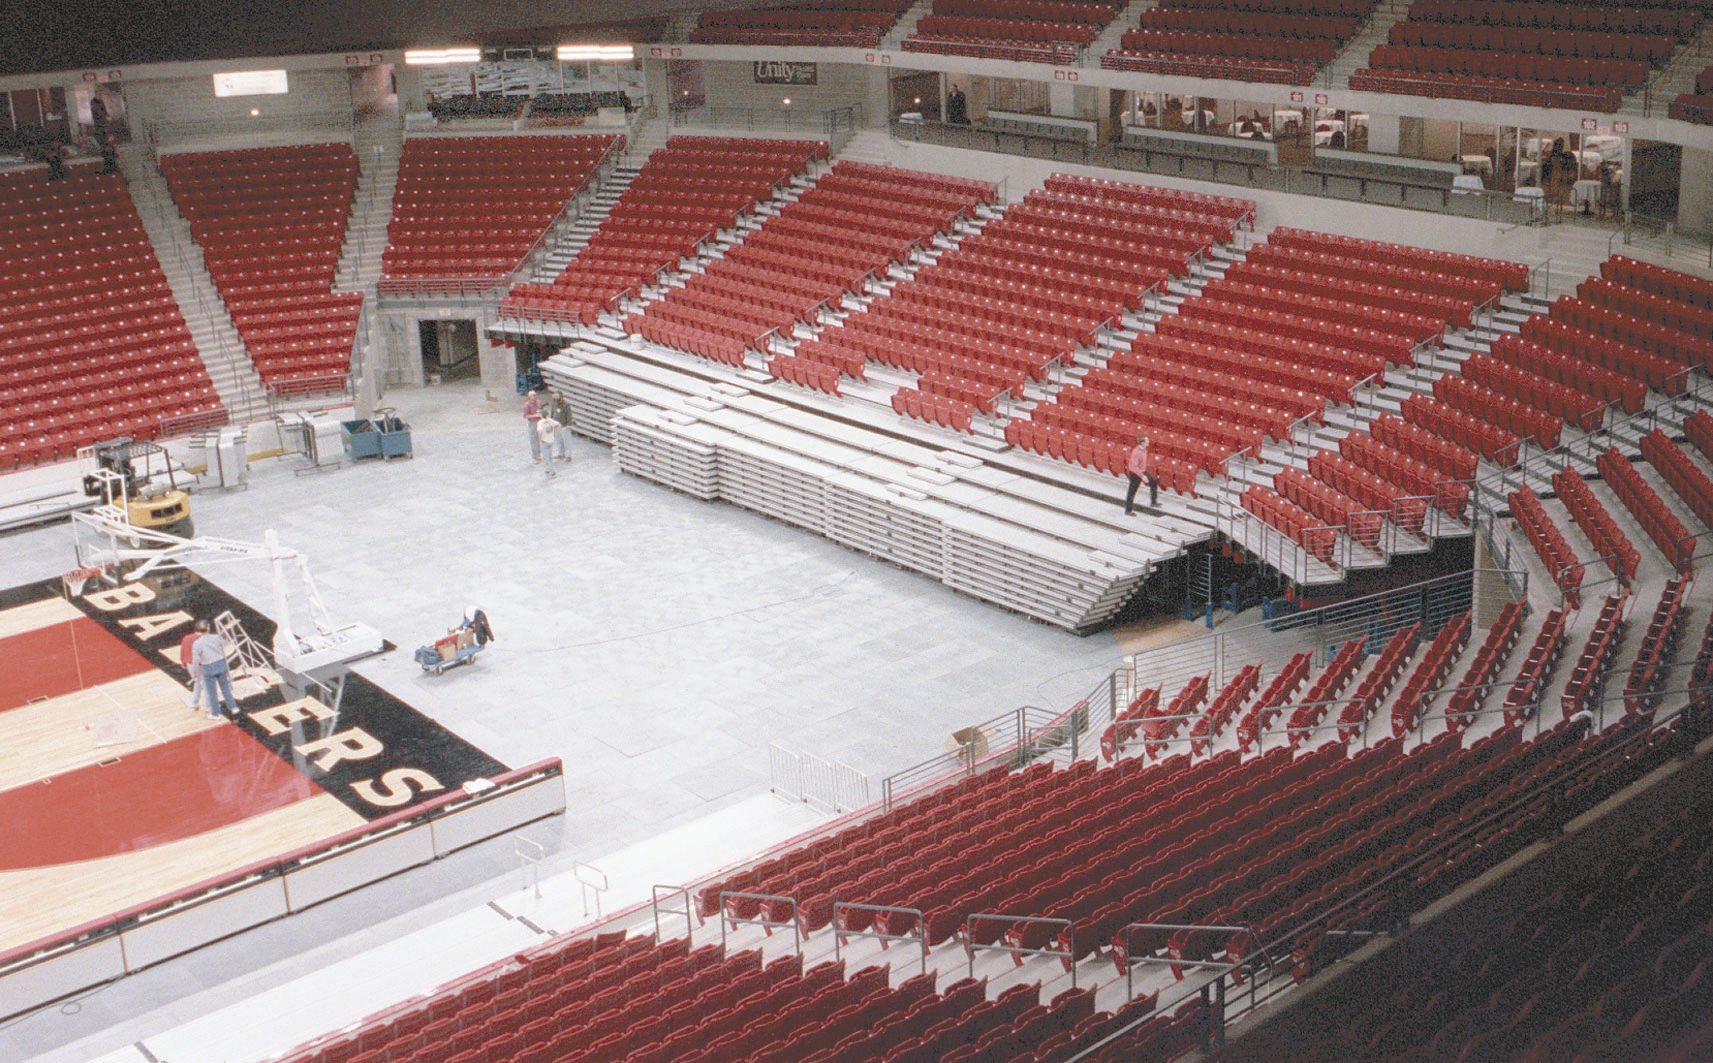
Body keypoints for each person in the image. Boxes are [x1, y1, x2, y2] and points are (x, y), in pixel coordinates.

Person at [191, 620, 239, 719]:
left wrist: (196, 671)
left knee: (212, 692)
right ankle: (233, 707)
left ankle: (215, 714)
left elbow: (196, 659)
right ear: (208, 628)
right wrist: (225, 632)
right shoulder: (216, 637)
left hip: (208, 667)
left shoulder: (197, 643)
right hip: (220, 664)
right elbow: (225, 643)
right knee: (225, 687)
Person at [1124, 434, 1158, 514]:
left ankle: (1153, 502)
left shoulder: (1145, 450)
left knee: (1154, 482)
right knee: (1132, 492)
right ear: (1142, 443)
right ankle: (1128, 510)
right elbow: (1133, 467)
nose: (1149, 442)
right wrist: (1142, 476)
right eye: (1147, 441)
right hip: (1135, 474)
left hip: (1142, 471)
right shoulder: (1136, 452)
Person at [179, 623, 204, 709]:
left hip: (190, 665)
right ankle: (211, 707)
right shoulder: (203, 640)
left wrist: (183, 662)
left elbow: (182, 650)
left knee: (198, 682)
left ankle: (194, 702)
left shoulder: (186, 638)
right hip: (199, 666)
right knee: (207, 686)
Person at [536, 410, 562, 478]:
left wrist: (540, 440)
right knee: (549, 456)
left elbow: (540, 431)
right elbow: (558, 424)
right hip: (551, 440)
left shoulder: (540, 423)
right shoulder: (550, 420)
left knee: (546, 458)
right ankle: (549, 470)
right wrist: (554, 431)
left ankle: (551, 472)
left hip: (544, 441)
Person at [523, 389, 543, 462]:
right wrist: (535, 415)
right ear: (529, 397)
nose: (535, 396)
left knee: (541, 438)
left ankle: (540, 453)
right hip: (533, 422)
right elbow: (525, 416)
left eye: (535, 395)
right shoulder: (526, 405)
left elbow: (542, 409)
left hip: (540, 421)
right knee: (534, 439)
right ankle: (535, 455)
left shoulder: (538, 402)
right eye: (533, 395)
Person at [553, 394, 574, 462]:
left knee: (567, 441)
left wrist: (569, 424)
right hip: (556, 425)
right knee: (559, 440)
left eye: (556, 397)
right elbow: (552, 412)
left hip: (564, 425)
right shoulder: (554, 402)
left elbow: (569, 415)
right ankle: (561, 454)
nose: (555, 398)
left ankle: (568, 456)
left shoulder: (566, 404)